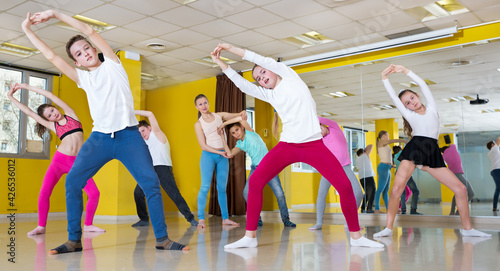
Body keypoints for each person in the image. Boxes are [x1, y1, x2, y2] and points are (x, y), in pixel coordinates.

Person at [22, 10, 187, 253]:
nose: (85, 53)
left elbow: (89, 30)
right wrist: (27, 29)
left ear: (93, 48)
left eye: (86, 48)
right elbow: (51, 57)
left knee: (150, 183)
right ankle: (73, 240)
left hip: (129, 136)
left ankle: (162, 239)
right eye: (78, 53)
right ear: (77, 62)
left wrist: (55, 14)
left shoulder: (113, 63)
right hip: (99, 139)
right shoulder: (83, 79)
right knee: (73, 182)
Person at [211, 43, 383, 249]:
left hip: (314, 145)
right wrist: (220, 62)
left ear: (272, 69)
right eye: (258, 78)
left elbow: (261, 57)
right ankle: (250, 237)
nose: (261, 78)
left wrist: (230, 48)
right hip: (288, 146)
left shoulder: (290, 76)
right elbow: (242, 85)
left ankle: (356, 238)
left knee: (345, 186)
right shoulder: (270, 94)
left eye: (263, 72)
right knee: (256, 182)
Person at [374, 64, 491, 238]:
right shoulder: (410, 115)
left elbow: (423, 85)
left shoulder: (432, 108)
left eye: (412, 98)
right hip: (414, 150)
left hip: (432, 152)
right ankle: (388, 229)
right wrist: (384, 78)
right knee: (397, 190)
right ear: (406, 107)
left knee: (461, 189)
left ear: (417, 96)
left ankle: (467, 229)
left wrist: (406, 71)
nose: (412, 102)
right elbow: (393, 97)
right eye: (407, 103)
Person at [7, 83, 105, 236]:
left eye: (52, 110)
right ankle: (41, 226)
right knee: (45, 191)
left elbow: (50, 95)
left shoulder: (70, 114)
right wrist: (10, 97)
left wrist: (26, 86)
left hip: (78, 163)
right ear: (48, 119)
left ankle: (88, 224)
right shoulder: (53, 126)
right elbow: (29, 112)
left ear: (55, 107)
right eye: (49, 116)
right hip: (59, 161)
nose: (54, 115)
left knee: (94, 193)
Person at [217, 116, 296, 227]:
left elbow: (240, 118)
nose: (236, 133)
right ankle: (257, 219)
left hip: (269, 166)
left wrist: (223, 124)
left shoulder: (250, 132)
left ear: (242, 128)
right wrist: (221, 137)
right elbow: (229, 154)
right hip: (256, 168)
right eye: (233, 133)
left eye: (237, 130)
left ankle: (286, 219)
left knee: (280, 195)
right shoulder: (240, 144)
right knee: (246, 192)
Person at [132, 110, 198, 227]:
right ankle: (144, 219)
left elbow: (150, 114)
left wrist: (131, 111)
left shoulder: (157, 134)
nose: (142, 134)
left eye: (143, 130)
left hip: (163, 168)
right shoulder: (145, 143)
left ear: (149, 128)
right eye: (139, 133)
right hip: (150, 170)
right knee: (138, 192)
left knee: (174, 194)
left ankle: (190, 218)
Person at [194, 94, 243, 229]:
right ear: (196, 107)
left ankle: (225, 218)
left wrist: (240, 113)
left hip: (223, 156)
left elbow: (230, 115)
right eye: (200, 104)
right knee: (205, 187)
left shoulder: (218, 116)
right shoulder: (198, 124)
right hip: (208, 156)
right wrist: (220, 152)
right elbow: (203, 145)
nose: (203, 106)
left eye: (205, 103)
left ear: (208, 103)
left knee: (221, 188)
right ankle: (201, 219)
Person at [309, 116, 364, 231]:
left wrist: (307, 113)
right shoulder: (320, 141)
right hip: (329, 169)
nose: (320, 132)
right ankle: (319, 223)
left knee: (358, 193)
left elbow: (316, 116)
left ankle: (349, 222)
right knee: (321, 194)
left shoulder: (334, 128)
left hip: (345, 167)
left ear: (322, 124)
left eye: (319, 128)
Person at [374, 130, 406, 213]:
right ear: (383, 136)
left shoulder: (385, 144)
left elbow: (386, 156)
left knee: (385, 191)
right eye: (387, 135)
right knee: (380, 189)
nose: (388, 137)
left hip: (387, 167)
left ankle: (389, 209)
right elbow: (392, 141)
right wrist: (402, 140)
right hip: (383, 167)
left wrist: (392, 165)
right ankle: (376, 209)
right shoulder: (381, 142)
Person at [441, 144, 474, 215]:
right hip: (457, 174)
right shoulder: (452, 148)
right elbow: (452, 145)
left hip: (453, 175)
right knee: (471, 193)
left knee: (457, 193)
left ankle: (452, 212)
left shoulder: (444, 156)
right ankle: (458, 211)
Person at [393, 145, 421, 215]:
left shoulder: (395, 157)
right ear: (400, 149)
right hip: (404, 173)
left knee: (403, 193)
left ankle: (403, 210)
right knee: (415, 191)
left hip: (398, 173)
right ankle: (413, 210)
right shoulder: (402, 153)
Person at [355, 146, 376, 213]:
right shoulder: (364, 156)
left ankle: (363, 207)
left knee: (367, 192)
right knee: (372, 191)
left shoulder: (357, 159)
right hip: (368, 176)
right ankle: (369, 208)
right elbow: (371, 146)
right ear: (363, 152)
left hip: (361, 177)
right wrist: (365, 149)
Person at [486, 138, 500, 212]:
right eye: (494, 143)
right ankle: (494, 207)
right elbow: (498, 139)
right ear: (492, 145)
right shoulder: (494, 149)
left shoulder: (492, 152)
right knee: (498, 188)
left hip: (494, 170)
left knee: (498, 189)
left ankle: (494, 207)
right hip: (497, 170)